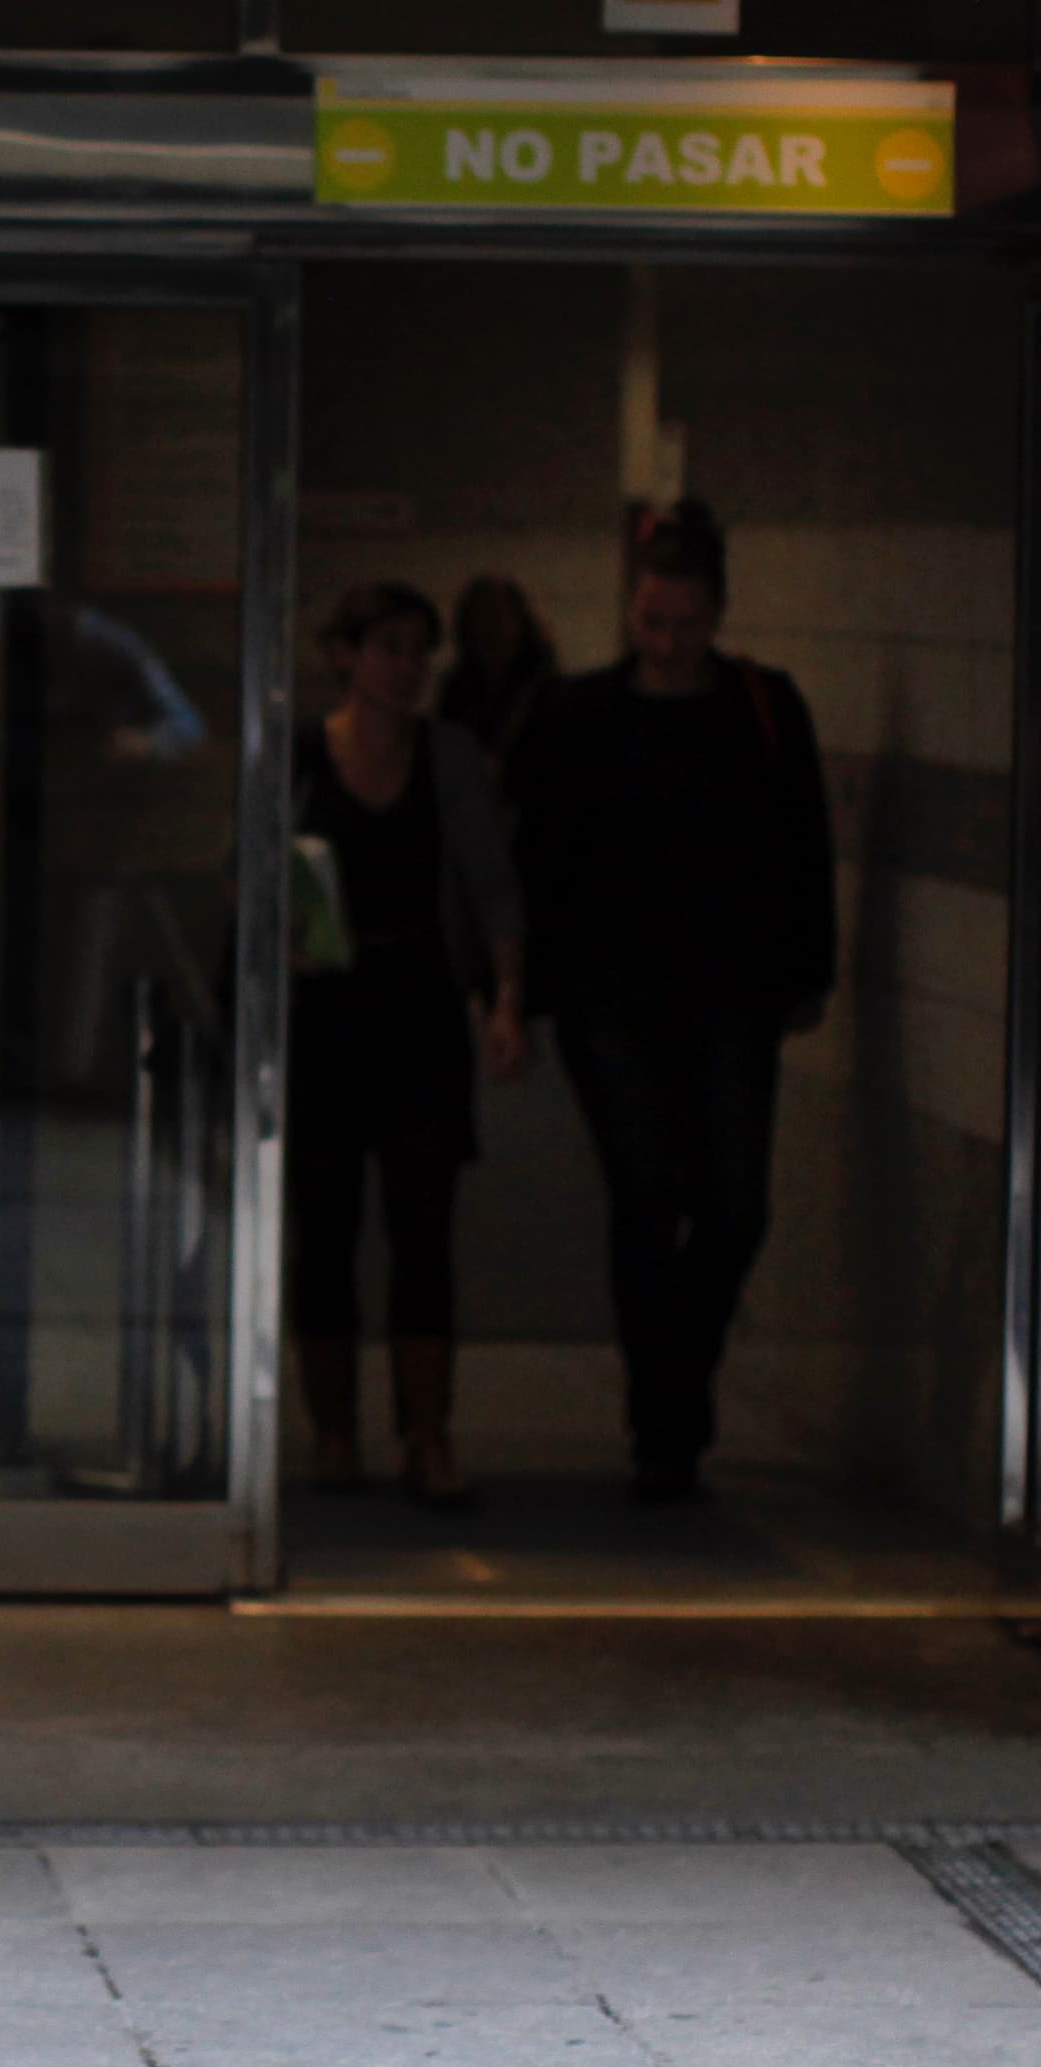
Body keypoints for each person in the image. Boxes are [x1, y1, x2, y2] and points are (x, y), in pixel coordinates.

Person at [507, 503, 836, 1507]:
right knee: (648, 1193)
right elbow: (534, 852)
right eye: (652, 622)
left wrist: (807, 971)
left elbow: (803, 843)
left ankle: (672, 1385)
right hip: (611, 994)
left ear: (718, 614)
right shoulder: (578, 714)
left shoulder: (761, 707)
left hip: (728, 991)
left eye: (686, 624)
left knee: (734, 1208)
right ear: (631, 611)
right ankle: (665, 1426)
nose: (667, 643)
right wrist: (518, 988)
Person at [289, 583, 528, 1507]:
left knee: (423, 1227)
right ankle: (334, 1430)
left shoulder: (447, 757)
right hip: (326, 1016)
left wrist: (505, 1001)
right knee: (326, 1228)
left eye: (419, 650)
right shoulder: (306, 756)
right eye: (388, 646)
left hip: (420, 1012)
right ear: (346, 655)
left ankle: (428, 1433)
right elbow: (249, 871)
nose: (407, 667)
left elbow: (492, 884)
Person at [437, 572, 560, 762]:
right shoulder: (457, 689)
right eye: (478, 619)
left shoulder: (545, 688)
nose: (488, 629)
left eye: (497, 616)